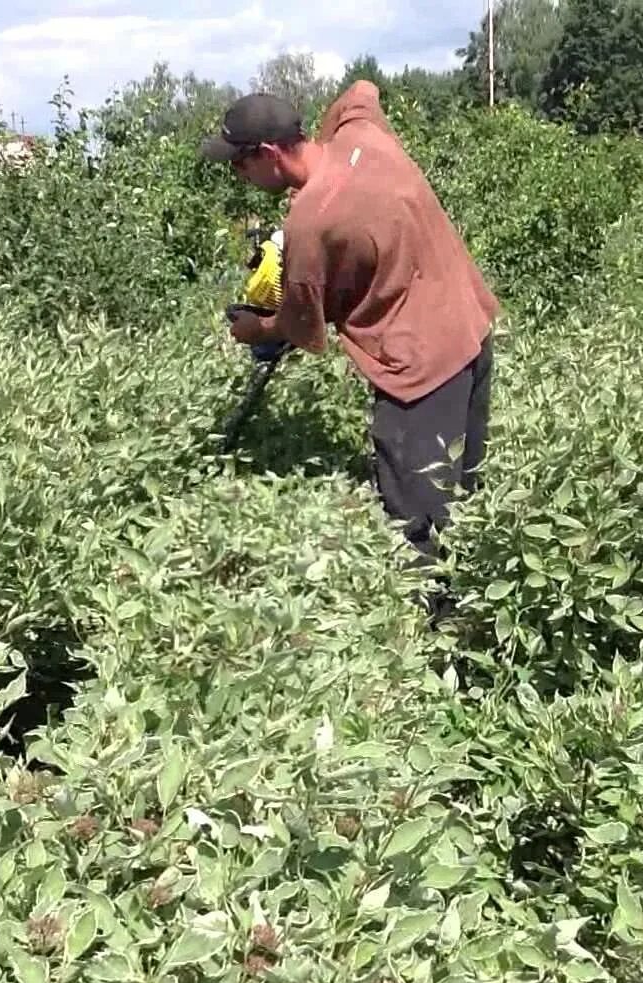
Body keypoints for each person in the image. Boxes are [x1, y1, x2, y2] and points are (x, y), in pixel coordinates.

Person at [202, 82, 498, 619]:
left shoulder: (310, 222)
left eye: (239, 165)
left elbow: (301, 328)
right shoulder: (360, 133)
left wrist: (254, 328)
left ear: (269, 155)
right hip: (471, 328)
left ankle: (439, 637)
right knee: (468, 491)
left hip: (420, 369)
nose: (237, 176)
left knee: (419, 514)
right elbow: (362, 90)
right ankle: (486, 602)